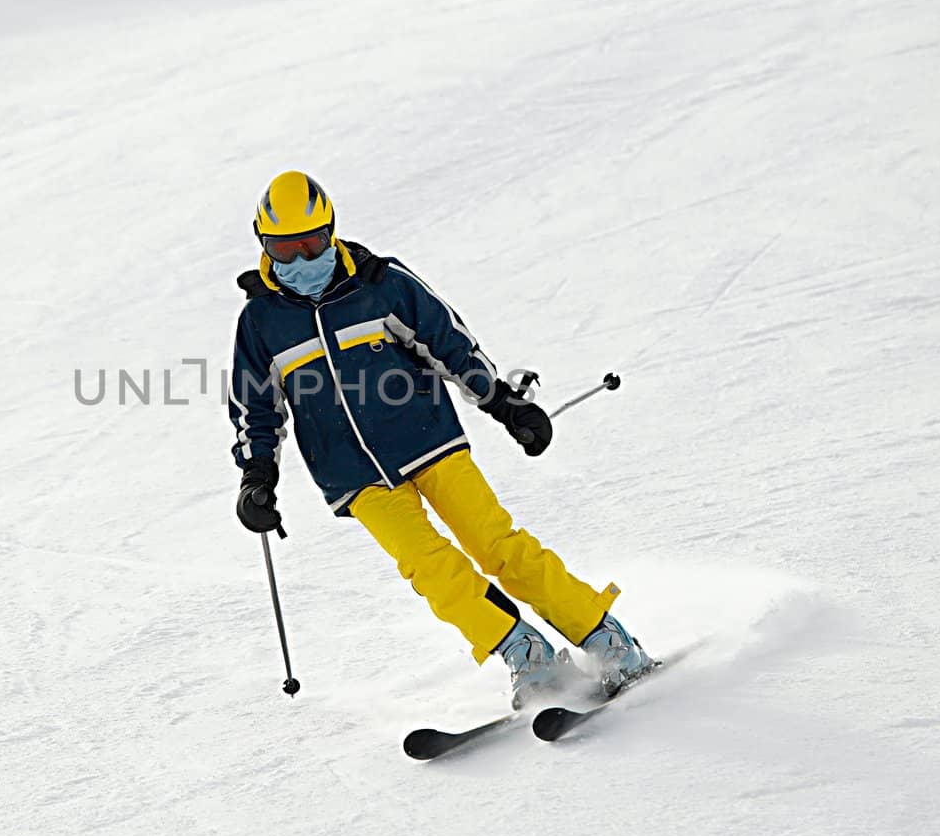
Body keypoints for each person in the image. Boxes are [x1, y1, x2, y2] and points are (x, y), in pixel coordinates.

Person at [227, 171, 654, 707]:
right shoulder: (261, 323)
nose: (299, 261)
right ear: (263, 244)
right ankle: (528, 656)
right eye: (283, 249)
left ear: (331, 231)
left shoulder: (381, 284)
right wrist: (256, 477)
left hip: (428, 441)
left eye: (311, 244)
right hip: (354, 476)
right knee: (432, 571)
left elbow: (447, 343)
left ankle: (607, 640)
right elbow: (255, 407)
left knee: (497, 547)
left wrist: (502, 402)